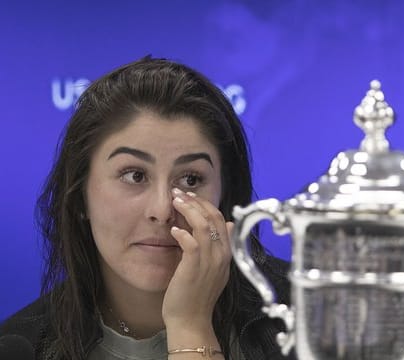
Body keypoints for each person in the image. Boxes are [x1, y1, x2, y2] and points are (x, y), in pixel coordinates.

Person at [0, 57, 294, 360]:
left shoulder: (309, 315)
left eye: (191, 179)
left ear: (225, 195)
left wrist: (190, 327)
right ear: (79, 197)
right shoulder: (19, 347)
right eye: (134, 176)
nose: (162, 209)